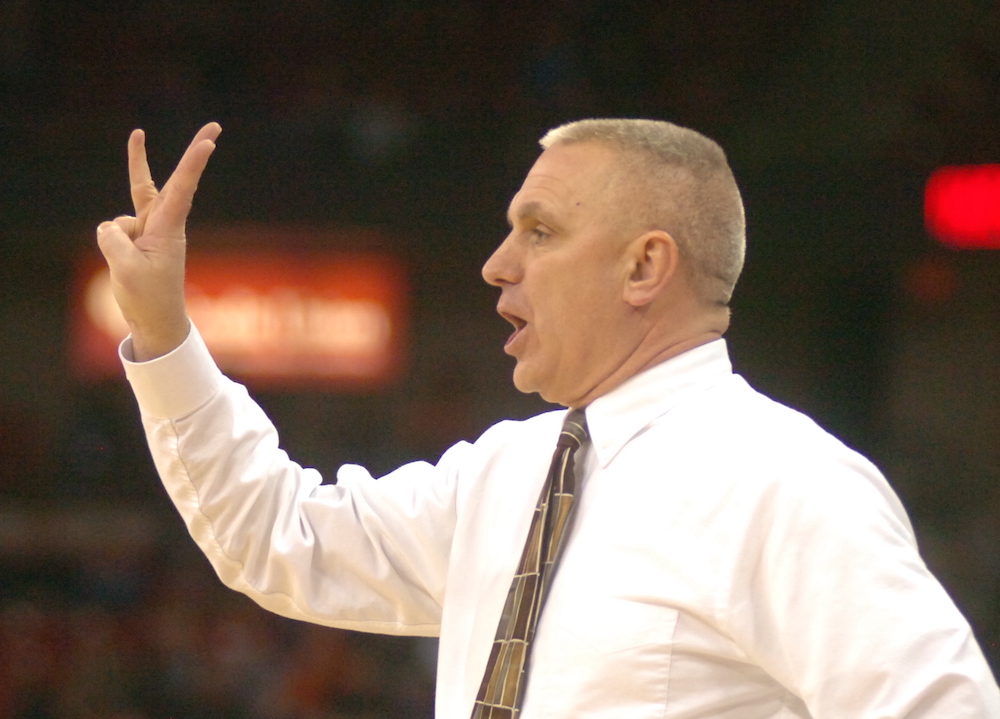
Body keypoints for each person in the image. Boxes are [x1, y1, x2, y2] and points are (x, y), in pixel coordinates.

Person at [97, 119, 1000, 718]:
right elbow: (278, 535)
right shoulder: (506, 471)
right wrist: (163, 329)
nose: (496, 264)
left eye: (539, 230)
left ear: (646, 267)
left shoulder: (786, 483)